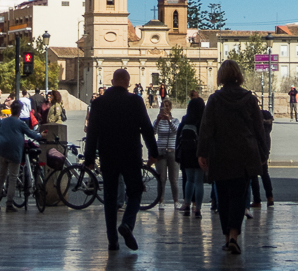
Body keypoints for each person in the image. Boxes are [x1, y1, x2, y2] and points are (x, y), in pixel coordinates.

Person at [197, 59, 268, 255]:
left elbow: (206, 129)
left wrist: (202, 153)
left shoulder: (214, 99)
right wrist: (263, 153)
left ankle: (227, 237)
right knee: (239, 196)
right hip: (245, 153)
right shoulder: (249, 98)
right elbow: (258, 128)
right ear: (238, 75)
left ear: (221, 76)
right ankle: (234, 236)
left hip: (220, 153)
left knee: (223, 198)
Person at [84, 68, 159, 252]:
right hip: (131, 154)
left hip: (108, 154)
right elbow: (147, 129)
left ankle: (112, 241)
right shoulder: (135, 101)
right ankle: (127, 223)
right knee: (135, 191)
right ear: (128, 82)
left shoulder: (99, 103)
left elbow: (92, 132)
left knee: (109, 197)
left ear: (112, 81)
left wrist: (89, 158)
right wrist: (153, 153)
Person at [0, 100, 46, 211]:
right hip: (14, 152)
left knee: (1, 177)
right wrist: (41, 135)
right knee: (13, 178)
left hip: (1, 150)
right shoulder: (21, 124)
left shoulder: (3, 122)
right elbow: (31, 134)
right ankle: (9, 204)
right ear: (19, 111)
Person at [176, 96, 206, 216]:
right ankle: (197, 208)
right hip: (200, 153)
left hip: (186, 153)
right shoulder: (204, 121)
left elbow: (178, 137)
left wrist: (177, 155)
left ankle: (186, 204)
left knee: (189, 179)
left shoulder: (185, 120)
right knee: (199, 181)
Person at [154, 98, 180, 207]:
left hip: (172, 151)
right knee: (161, 178)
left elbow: (176, 131)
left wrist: (169, 120)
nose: (166, 109)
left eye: (167, 106)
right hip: (161, 150)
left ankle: (176, 201)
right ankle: (161, 200)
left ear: (170, 108)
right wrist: (159, 120)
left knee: (173, 179)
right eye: (164, 106)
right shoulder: (158, 121)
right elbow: (153, 131)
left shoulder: (175, 120)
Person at [249, 108, 274, 209]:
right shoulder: (267, 129)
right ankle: (270, 197)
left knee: (254, 176)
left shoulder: (255, 125)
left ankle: (257, 200)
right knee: (265, 175)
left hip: (255, 151)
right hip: (264, 151)